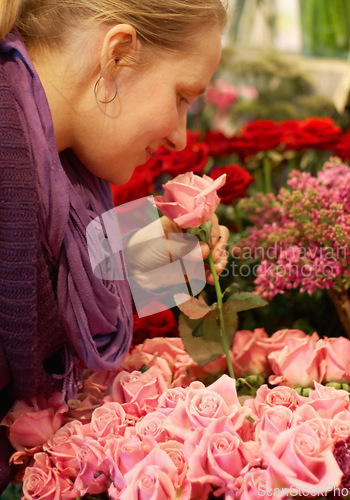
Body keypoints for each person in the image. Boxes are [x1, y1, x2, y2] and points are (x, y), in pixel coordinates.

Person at [0, 0, 229, 490]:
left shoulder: (46, 155)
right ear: (118, 54)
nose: (180, 138)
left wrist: (150, 265)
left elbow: (46, 292)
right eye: (182, 95)